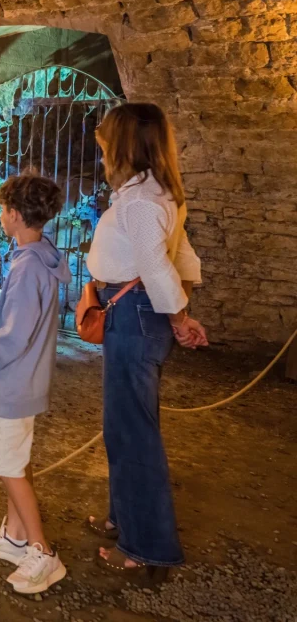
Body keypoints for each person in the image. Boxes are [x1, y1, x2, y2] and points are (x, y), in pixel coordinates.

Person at [85, 103, 208, 580]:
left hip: (135, 317)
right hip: (141, 314)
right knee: (124, 425)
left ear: (124, 146)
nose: (101, 151)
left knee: (133, 431)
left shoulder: (138, 201)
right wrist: (182, 312)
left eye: (106, 142)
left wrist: (178, 316)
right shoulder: (159, 193)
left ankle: (146, 545)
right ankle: (124, 517)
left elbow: (159, 266)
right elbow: (184, 254)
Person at [0, 173, 71, 595]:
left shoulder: (28, 267)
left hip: (11, 382)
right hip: (27, 381)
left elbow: (13, 333)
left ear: (15, 214)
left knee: (7, 466)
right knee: (16, 460)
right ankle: (14, 537)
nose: (0, 216)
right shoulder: (41, 255)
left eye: (3, 210)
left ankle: (42, 553)